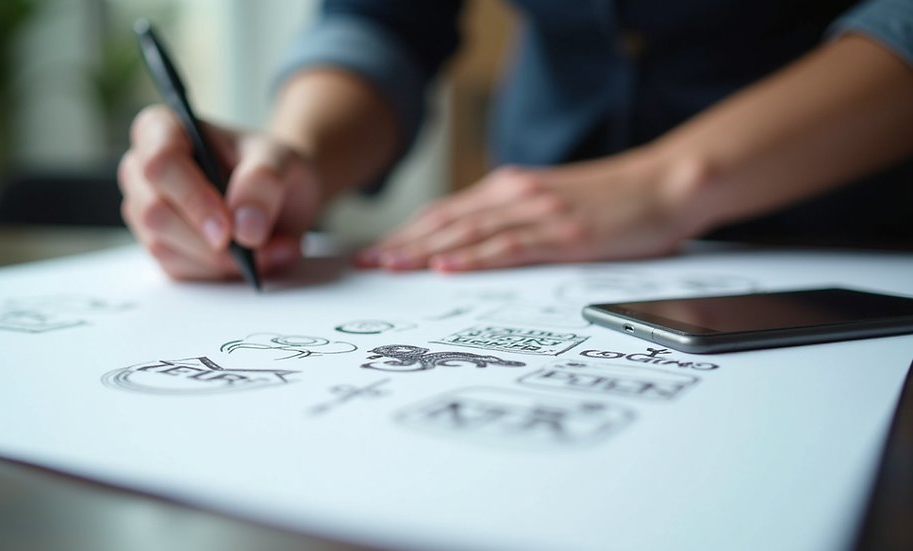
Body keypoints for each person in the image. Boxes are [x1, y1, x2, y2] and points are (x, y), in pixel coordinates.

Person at [118, 0, 913, 281]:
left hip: (856, 223)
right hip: (538, 250)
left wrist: (672, 181)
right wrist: (296, 155)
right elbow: (381, 20)